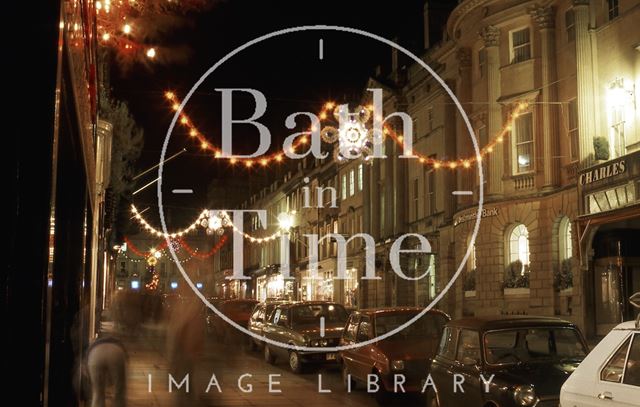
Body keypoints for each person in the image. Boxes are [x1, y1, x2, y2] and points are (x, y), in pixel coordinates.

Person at [86, 336, 128, 407]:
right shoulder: (117, 343)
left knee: (97, 393)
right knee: (119, 392)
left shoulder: (94, 344)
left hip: (95, 353)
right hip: (116, 351)